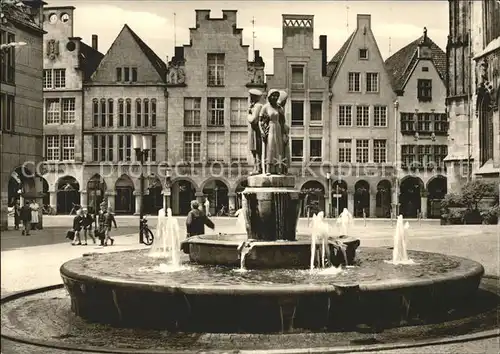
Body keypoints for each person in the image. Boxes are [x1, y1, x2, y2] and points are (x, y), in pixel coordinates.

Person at [259, 89, 284, 175]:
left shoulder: (279, 107)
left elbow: (282, 121)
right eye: (273, 95)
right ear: (269, 97)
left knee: (278, 148)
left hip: (278, 128)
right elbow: (260, 121)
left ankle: (278, 168)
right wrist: (262, 131)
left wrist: (284, 133)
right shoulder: (265, 107)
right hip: (270, 127)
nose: (275, 97)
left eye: (277, 96)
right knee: (270, 147)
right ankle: (268, 168)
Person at [247, 88, 264, 175]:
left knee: (257, 150)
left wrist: (249, 114)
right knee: (254, 150)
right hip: (253, 130)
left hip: (255, 131)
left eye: (250, 96)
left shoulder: (258, 106)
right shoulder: (255, 106)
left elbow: (253, 120)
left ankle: (258, 168)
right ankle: (256, 167)